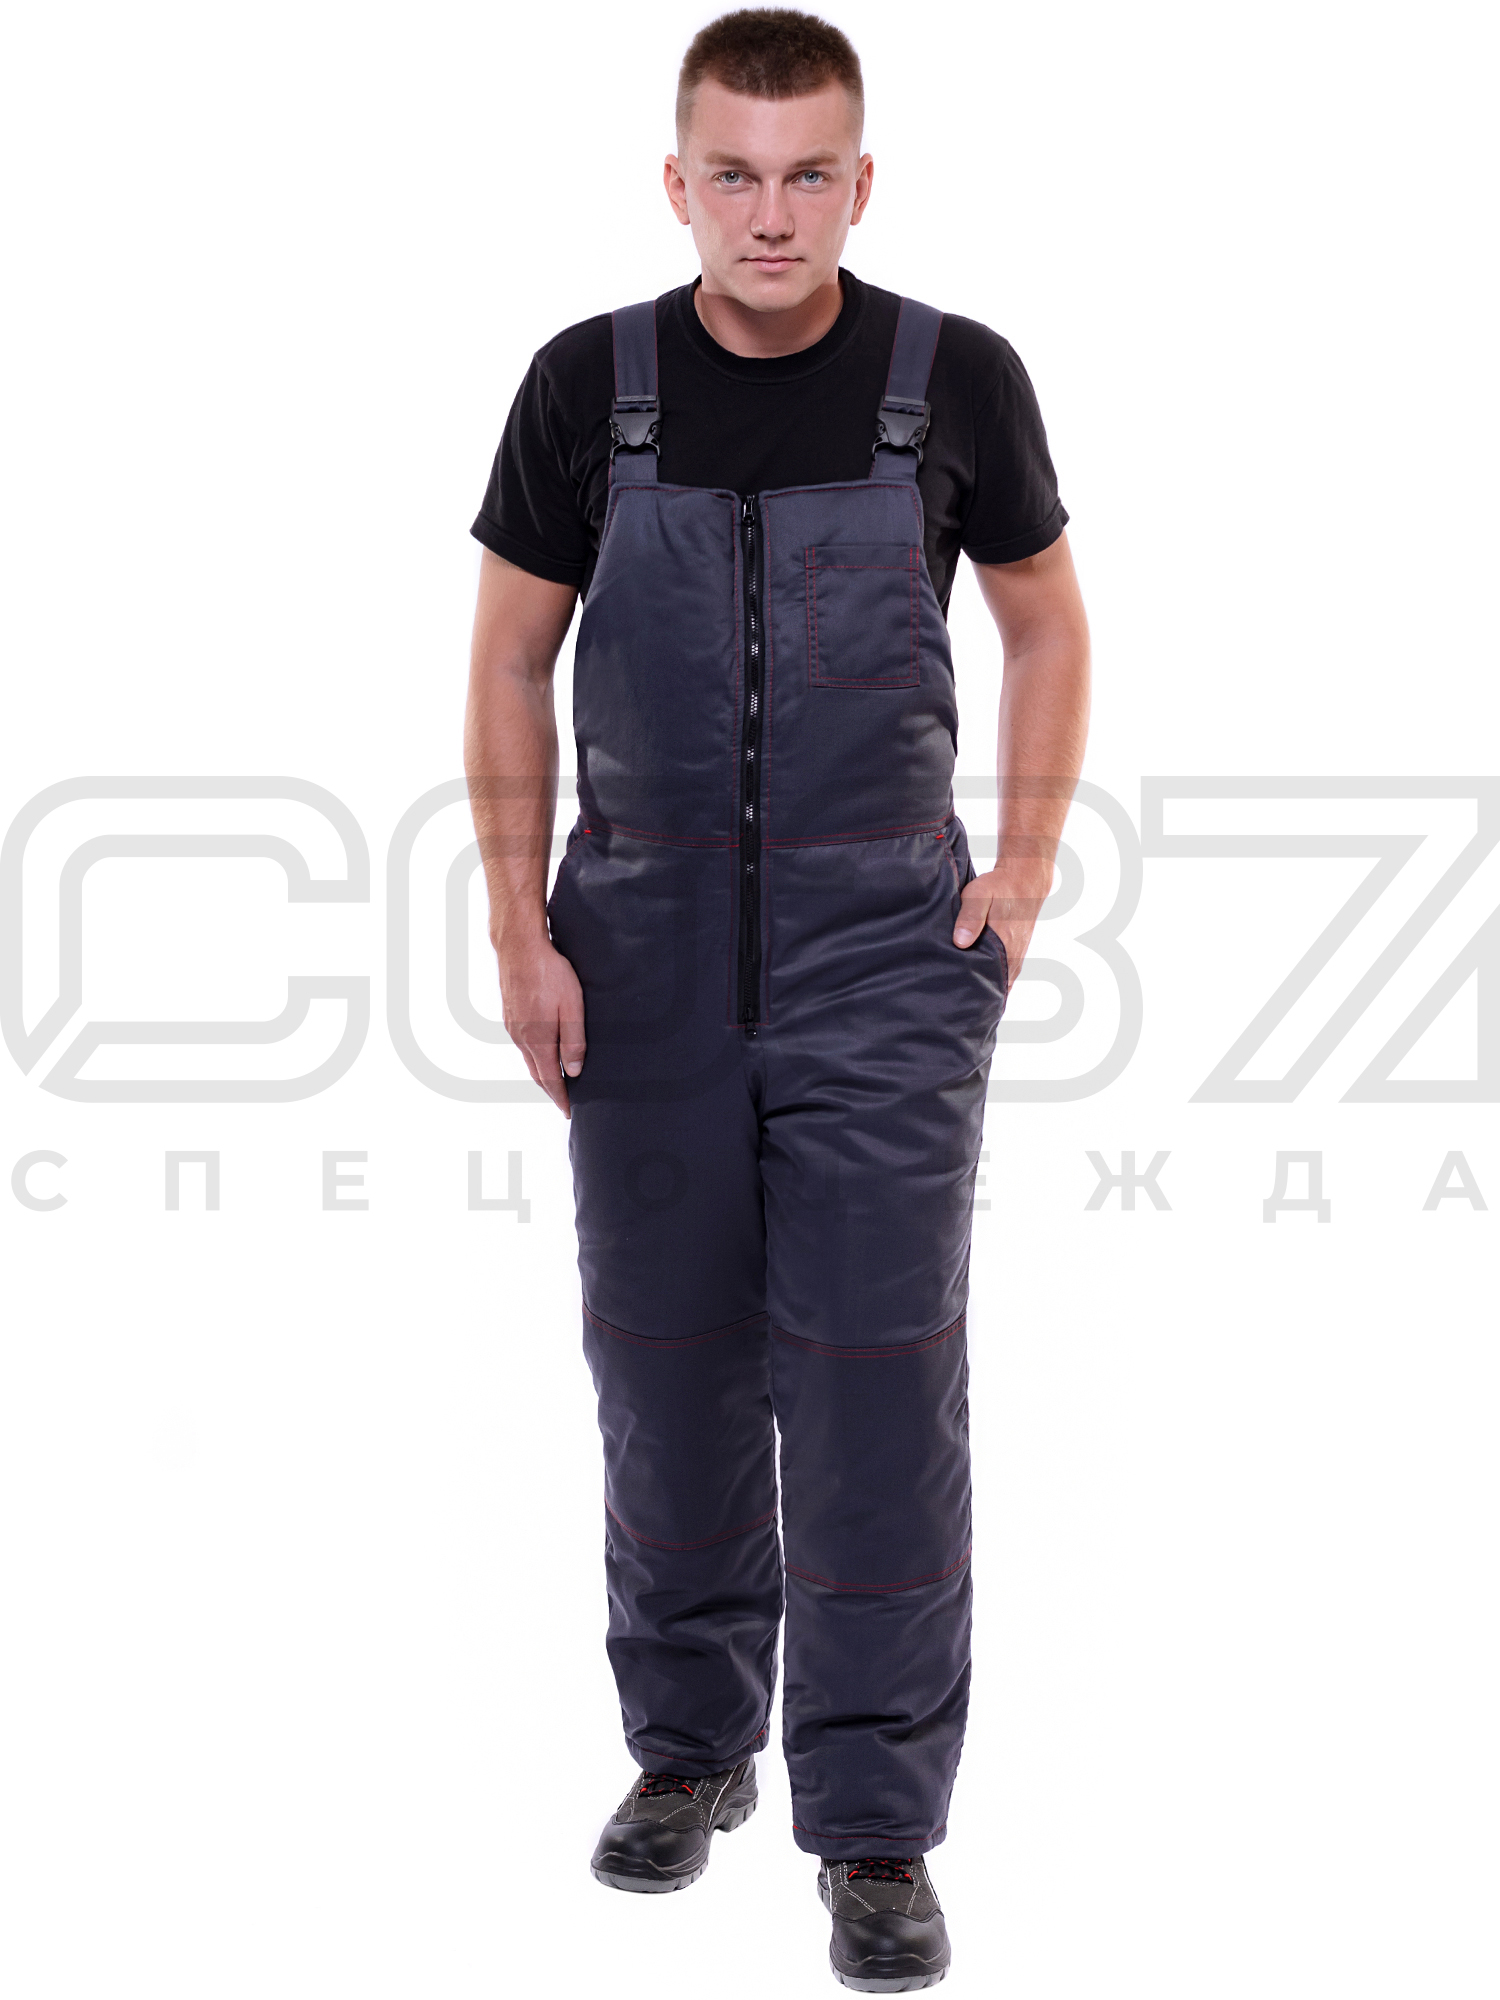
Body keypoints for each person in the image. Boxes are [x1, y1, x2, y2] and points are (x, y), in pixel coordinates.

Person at [464, 9, 1090, 1988]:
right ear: (677, 182)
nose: (770, 211)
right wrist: (518, 931)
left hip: (885, 964)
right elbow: (507, 662)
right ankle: (688, 1746)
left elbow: (1047, 621)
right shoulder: (591, 385)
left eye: (809, 171)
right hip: (637, 957)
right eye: (731, 172)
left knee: (877, 1388)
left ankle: (878, 1828)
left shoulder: (952, 379)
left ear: (861, 181)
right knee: (663, 1369)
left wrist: (1021, 870)